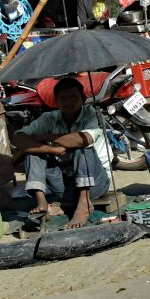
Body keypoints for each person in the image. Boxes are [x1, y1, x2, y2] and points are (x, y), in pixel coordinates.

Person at [13, 78, 112, 229]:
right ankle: (42, 203)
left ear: (83, 99)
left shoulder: (93, 116)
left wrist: (43, 137)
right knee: (32, 151)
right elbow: (18, 138)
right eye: (63, 98)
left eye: (73, 97)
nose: (68, 102)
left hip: (95, 184)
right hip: (63, 186)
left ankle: (84, 204)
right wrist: (50, 149)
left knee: (82, 149)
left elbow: (81, 140)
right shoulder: (49, 118)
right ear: (56, 101)